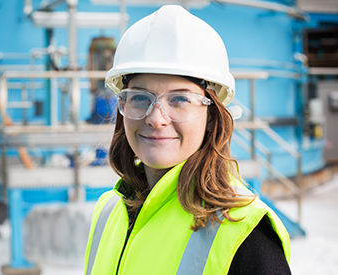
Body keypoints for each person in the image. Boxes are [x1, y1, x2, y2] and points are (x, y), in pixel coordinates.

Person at [84, 5, 291, 275]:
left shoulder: (245, 233)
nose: (156, 119)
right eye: (139, 98)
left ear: (212, 116)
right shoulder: (107, 212)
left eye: (180, 99)